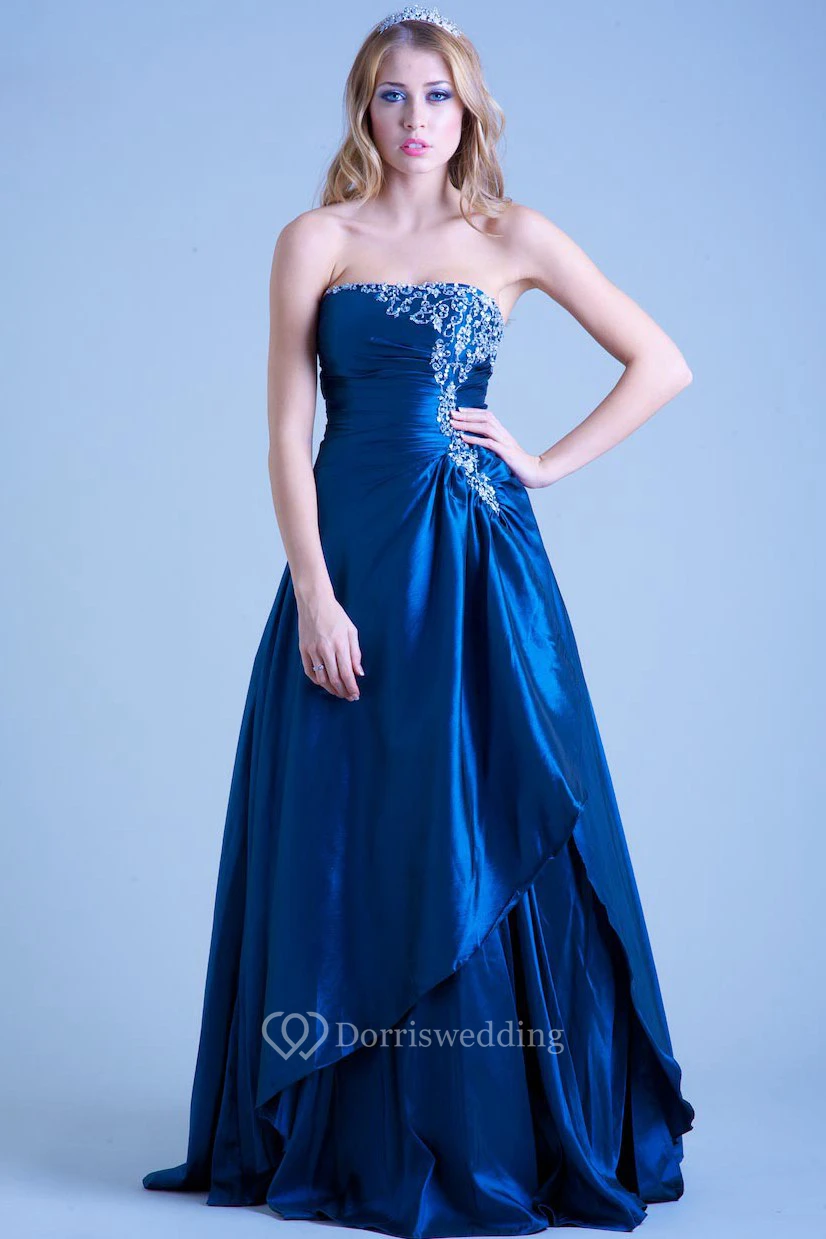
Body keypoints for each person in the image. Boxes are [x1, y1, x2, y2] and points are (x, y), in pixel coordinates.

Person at [142, 6, 695, 1234]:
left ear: (468, 109)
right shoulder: (314, 238)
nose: (414, 117)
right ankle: (341, 1123)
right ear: (363, 106)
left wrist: (542, 463)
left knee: (476, 808)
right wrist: (313, 590)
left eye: (436, 95)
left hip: (472, 561)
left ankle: (489, 1121)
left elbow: (661, 362)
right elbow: (286, 432)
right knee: (347, 817)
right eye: (392, 94)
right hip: (348, 559)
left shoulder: (512, 235)